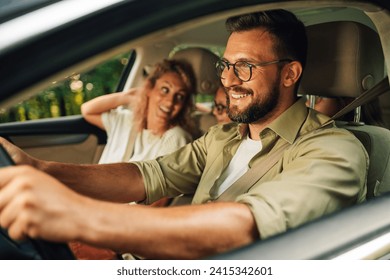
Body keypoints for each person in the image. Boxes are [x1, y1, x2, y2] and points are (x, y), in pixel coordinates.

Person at [0, 9, 368, 260]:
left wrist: (78, 217)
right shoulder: (222, 137)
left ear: (289, 75)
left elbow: (248, 226)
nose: (227, 80)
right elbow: (148, 175)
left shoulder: (335, 148)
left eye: (245, 67)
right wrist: (39, 169)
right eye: (226, 65)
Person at [81, 59, 196, 165]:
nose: (170, 102)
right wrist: (128, 96)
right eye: (165, 90)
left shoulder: (176, 138)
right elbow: (87, 110)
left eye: (180, 96)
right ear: (149, 89)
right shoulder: (125, 121)